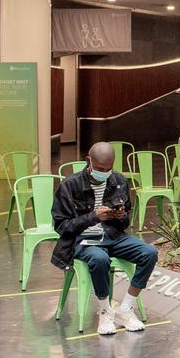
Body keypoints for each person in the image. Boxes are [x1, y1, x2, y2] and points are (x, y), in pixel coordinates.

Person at [51, 142, 158, 335]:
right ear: (88, 162)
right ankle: (105, 311)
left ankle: (125, 308)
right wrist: (93, 216)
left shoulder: (118, 180)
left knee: (149, 253)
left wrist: (120, 216)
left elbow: (125, 221)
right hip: (83, 240)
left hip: (113, 235)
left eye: (109, 169)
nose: (105, 173)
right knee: (99, 259)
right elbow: (61, 226)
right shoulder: (70, 185)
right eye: (100, 169)